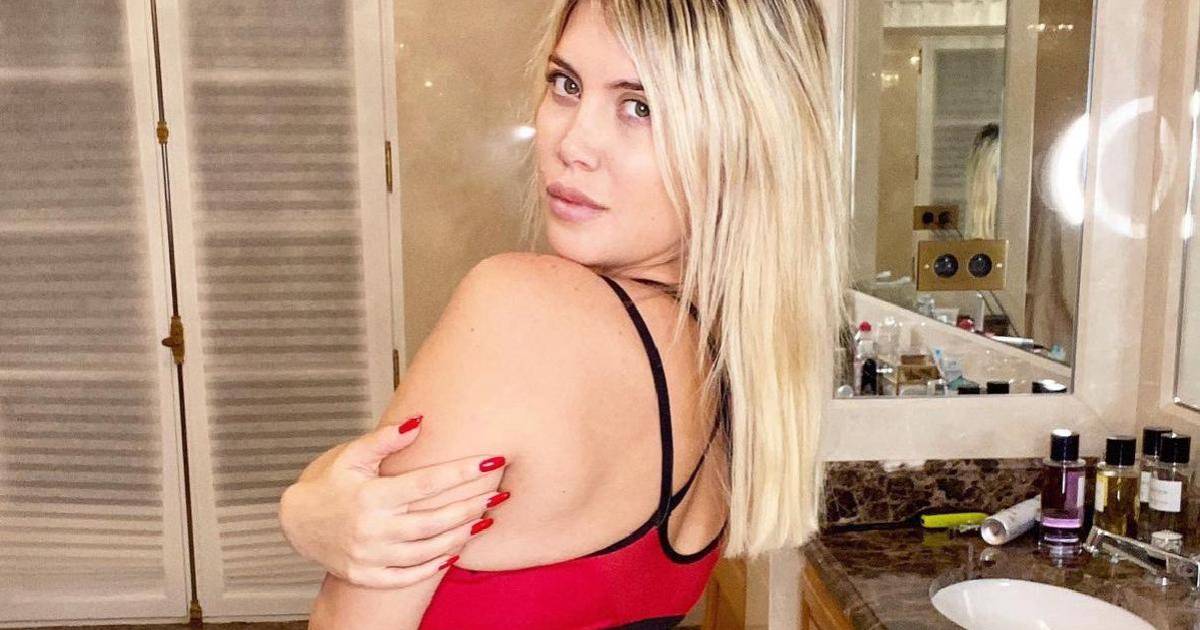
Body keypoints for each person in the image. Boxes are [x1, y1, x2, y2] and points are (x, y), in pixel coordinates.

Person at [286, 0, 845, 627]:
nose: (572, 144)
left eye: (641, 107)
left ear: (746, 145)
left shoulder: (524, 310)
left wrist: (301, 513)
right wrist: (305, 504)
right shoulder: (723, 363)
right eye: (566, 84)